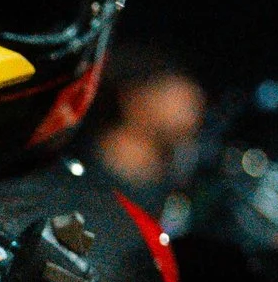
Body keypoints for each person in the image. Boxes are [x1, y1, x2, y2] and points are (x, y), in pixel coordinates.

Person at [84, 41, 204, 206]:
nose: (191, 109)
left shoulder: (175, 195)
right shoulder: (77, 171)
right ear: (134, 98)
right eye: (169, 91)